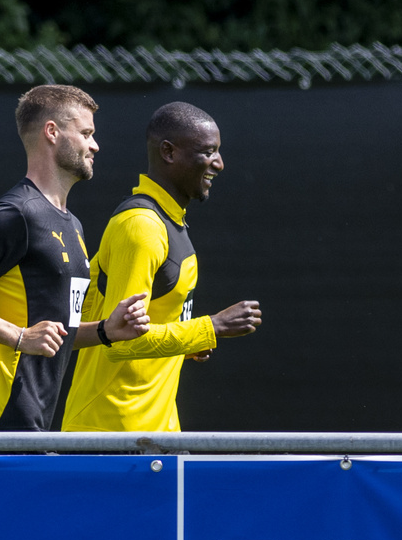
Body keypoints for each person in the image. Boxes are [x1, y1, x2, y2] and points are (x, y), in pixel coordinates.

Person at [0, 85, 149, 432]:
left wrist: (103, 331)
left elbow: (52, 334)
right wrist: (20, 337)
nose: (95, 145)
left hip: (30, 430)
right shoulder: (16, 213)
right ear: (52, 132)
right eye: (86, 133)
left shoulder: (74, 226)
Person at [62, 101, 262, 432]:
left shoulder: (168, 222)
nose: (220, 164)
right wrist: (210, 327)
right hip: (109, 439)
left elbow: (145, 328)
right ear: (168, 152)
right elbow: (122, 343)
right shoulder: (141, 227)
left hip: (152, 437)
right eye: (208, 152)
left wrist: (185, 345)